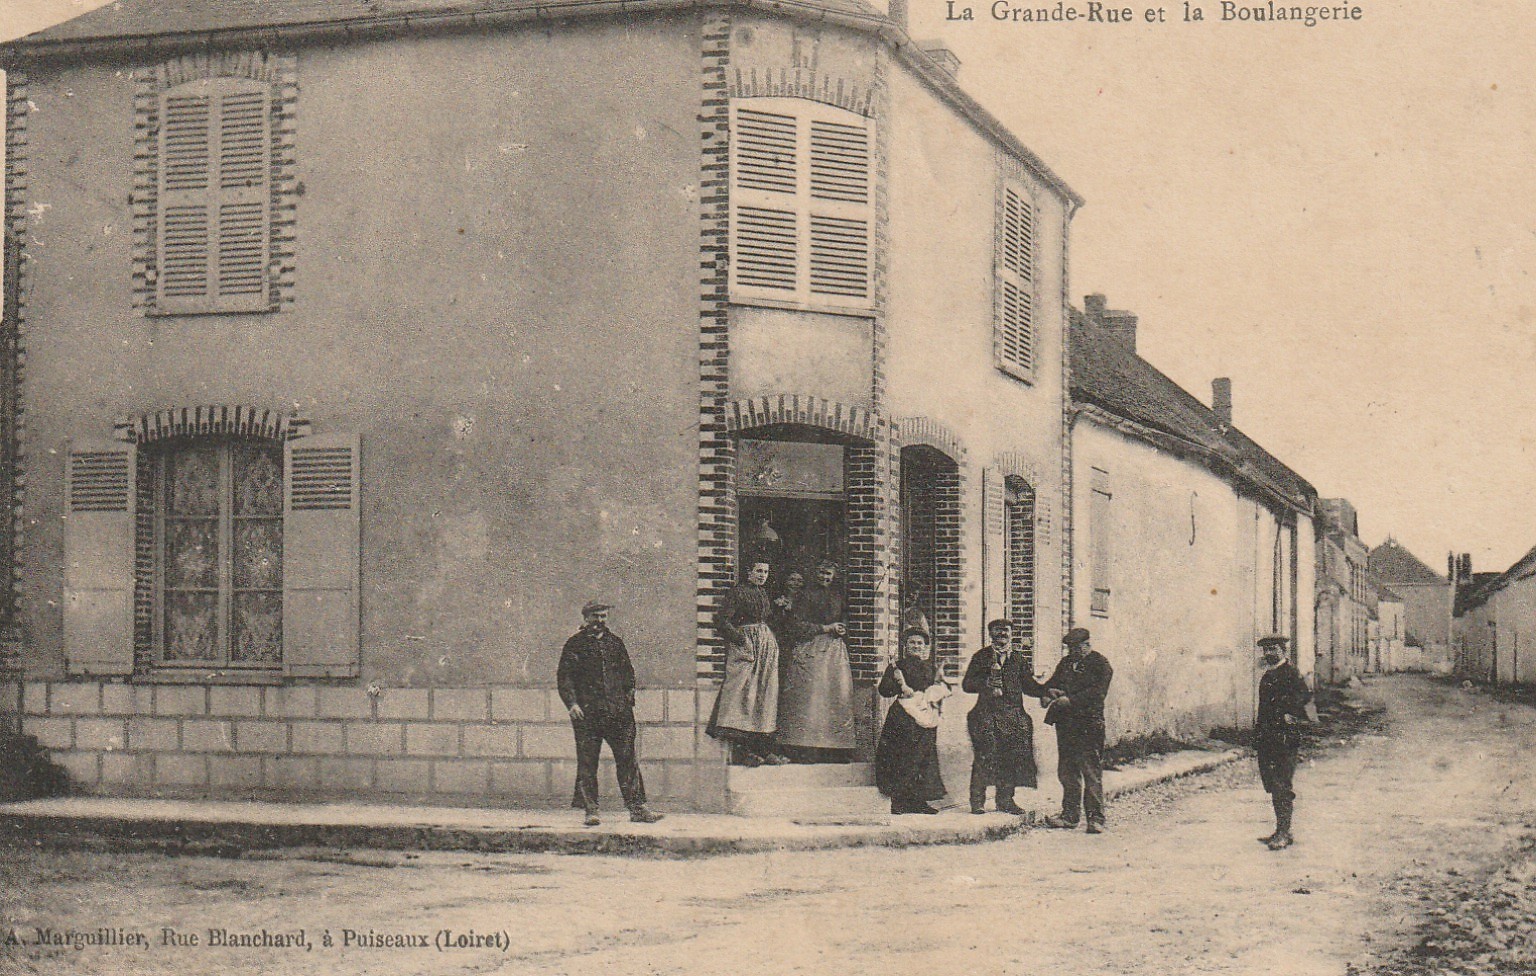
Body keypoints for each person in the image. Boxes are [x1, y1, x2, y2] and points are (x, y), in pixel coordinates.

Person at [556, 601, 664, 826]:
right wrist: (572, 704)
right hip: (587, 715)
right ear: (586, 618)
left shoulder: (615, 643)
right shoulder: (575, 645)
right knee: (588, 762)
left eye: (603, 616)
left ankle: (638, 808)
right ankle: (591, 810)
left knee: (627, 760)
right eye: (596, 616)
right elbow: (564, 678)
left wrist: (628, 700)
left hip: (618, 714)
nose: (600, 621)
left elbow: (628, 673)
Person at [706, 558, 788, 766]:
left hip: (765, 646)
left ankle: (763, 748)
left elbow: (768, 619)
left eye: (766, 572)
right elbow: (721, 620)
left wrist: (780, 610)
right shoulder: (738, 592)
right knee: (744, 694)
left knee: (764, 694)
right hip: (747, 645)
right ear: (748, 572)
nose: (762, 575)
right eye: (758, 571)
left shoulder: (762, 594)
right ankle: (741, 751)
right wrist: (741, 639)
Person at [963, 620, 1046, 815]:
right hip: (986, 714)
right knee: (984, 756)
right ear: (990, 633)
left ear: (1011, 634)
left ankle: (1005, 800)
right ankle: (977, 801)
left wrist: (1046, 690)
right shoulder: (981, 657)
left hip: (1012, 715)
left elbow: (1030, 687)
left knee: (1010, 758)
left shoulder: (1018, 659)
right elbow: (967, 684)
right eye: (997, 631)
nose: (1002, 635)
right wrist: (985, 682)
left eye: (1005, 631)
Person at [776, 560, 856, 758]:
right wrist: (824, 628)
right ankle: (803, 748)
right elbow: (796, 625)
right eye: (821, 573)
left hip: (834, 651)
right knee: (810, 698)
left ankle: (834, 749)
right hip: (811, 648)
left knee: (836, 695)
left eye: (828, 574)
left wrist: (842, 627)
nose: (824, 577)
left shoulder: (838, 596)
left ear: (834, 575)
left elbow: (845, 616)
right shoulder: (805, 595)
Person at [1041, 627, 1114, 834]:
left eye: (1076, 647)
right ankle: (1069, 816)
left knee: (1090, 770)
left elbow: (1097, 693)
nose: (1072, 651)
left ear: (1087, 645)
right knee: (1067, 771)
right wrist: (1047, 694)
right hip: (1066, 724)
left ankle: (1096, 818)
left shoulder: (1100, 664)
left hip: (1089, 724)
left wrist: (1070, 700)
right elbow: (1052, 683)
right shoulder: (1065, 663)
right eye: (1069, 648)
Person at [875, 628, 951, 814]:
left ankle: (919, 802)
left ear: (925, 647)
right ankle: (899, 801)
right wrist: (897, 685)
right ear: (905, 646)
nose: (916, 646)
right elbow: (884, 690)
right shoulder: (897, 667)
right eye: (912, 643)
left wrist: (937, 691)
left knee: (922, 758)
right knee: (901, 757)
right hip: (902, 719)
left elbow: (937, 692)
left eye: (920, 643)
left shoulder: (930, 668)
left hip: (924, 717)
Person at [1255, 633, 1317, 850]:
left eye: (1273, 649)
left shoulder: (1291, 674)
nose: (1269, 653)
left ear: (1283, 650)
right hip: (1267, 738)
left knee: (1282, 783)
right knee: (1273, 783)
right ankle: (1280, 829)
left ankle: (1283, 832)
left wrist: (1292, 713)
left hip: (1285, 739)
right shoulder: (1267, 676)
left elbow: (1305, 696)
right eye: (1266, 650)